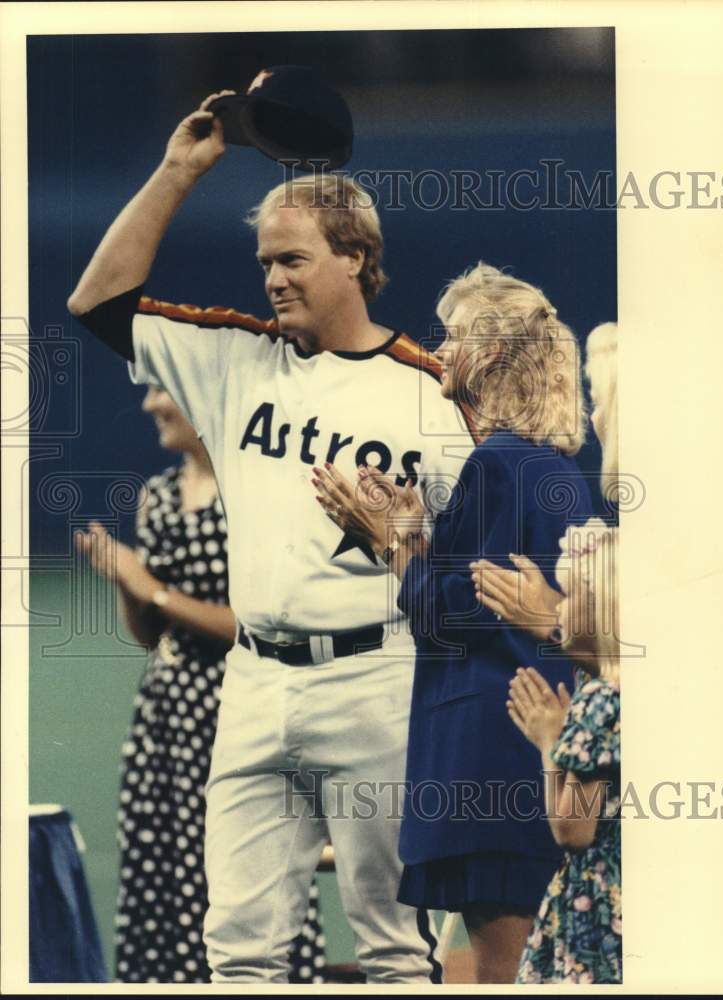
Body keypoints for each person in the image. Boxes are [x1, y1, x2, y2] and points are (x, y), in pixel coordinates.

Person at [67, 89, 473, 983]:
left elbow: (482, 573)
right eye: (264, 262)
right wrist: (178, 172)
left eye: (291, 259)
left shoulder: (434, 394)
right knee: (238, 953)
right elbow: (97, 301)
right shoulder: (235, 358)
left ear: (356, 259)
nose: (272, 279)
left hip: (377, 682)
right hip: (251, 686)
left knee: (396, 950)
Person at [312, 262, 595, 982]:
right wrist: (419, 536)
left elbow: (456, 616)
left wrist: (392, 542)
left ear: (493, 353)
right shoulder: (553, 465)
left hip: (487, 751)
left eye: (455, 336)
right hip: (531, 744)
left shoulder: (494, 465)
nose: (438, 350)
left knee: (504, 971)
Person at [75, 386, 326, 984]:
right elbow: (147, 631)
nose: (150, 406)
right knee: (165, 869)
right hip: (168, 719)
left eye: (163, 390)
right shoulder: (158, 496)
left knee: (246, 869)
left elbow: (251, 623)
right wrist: (124, 580)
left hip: (241, 704)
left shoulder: (255, 491)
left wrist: (152, 587)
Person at [474, 322, 621, 983]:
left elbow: (570, 828)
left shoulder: (596, 709)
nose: (592, 411)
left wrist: (548, 741)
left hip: (596, 919)